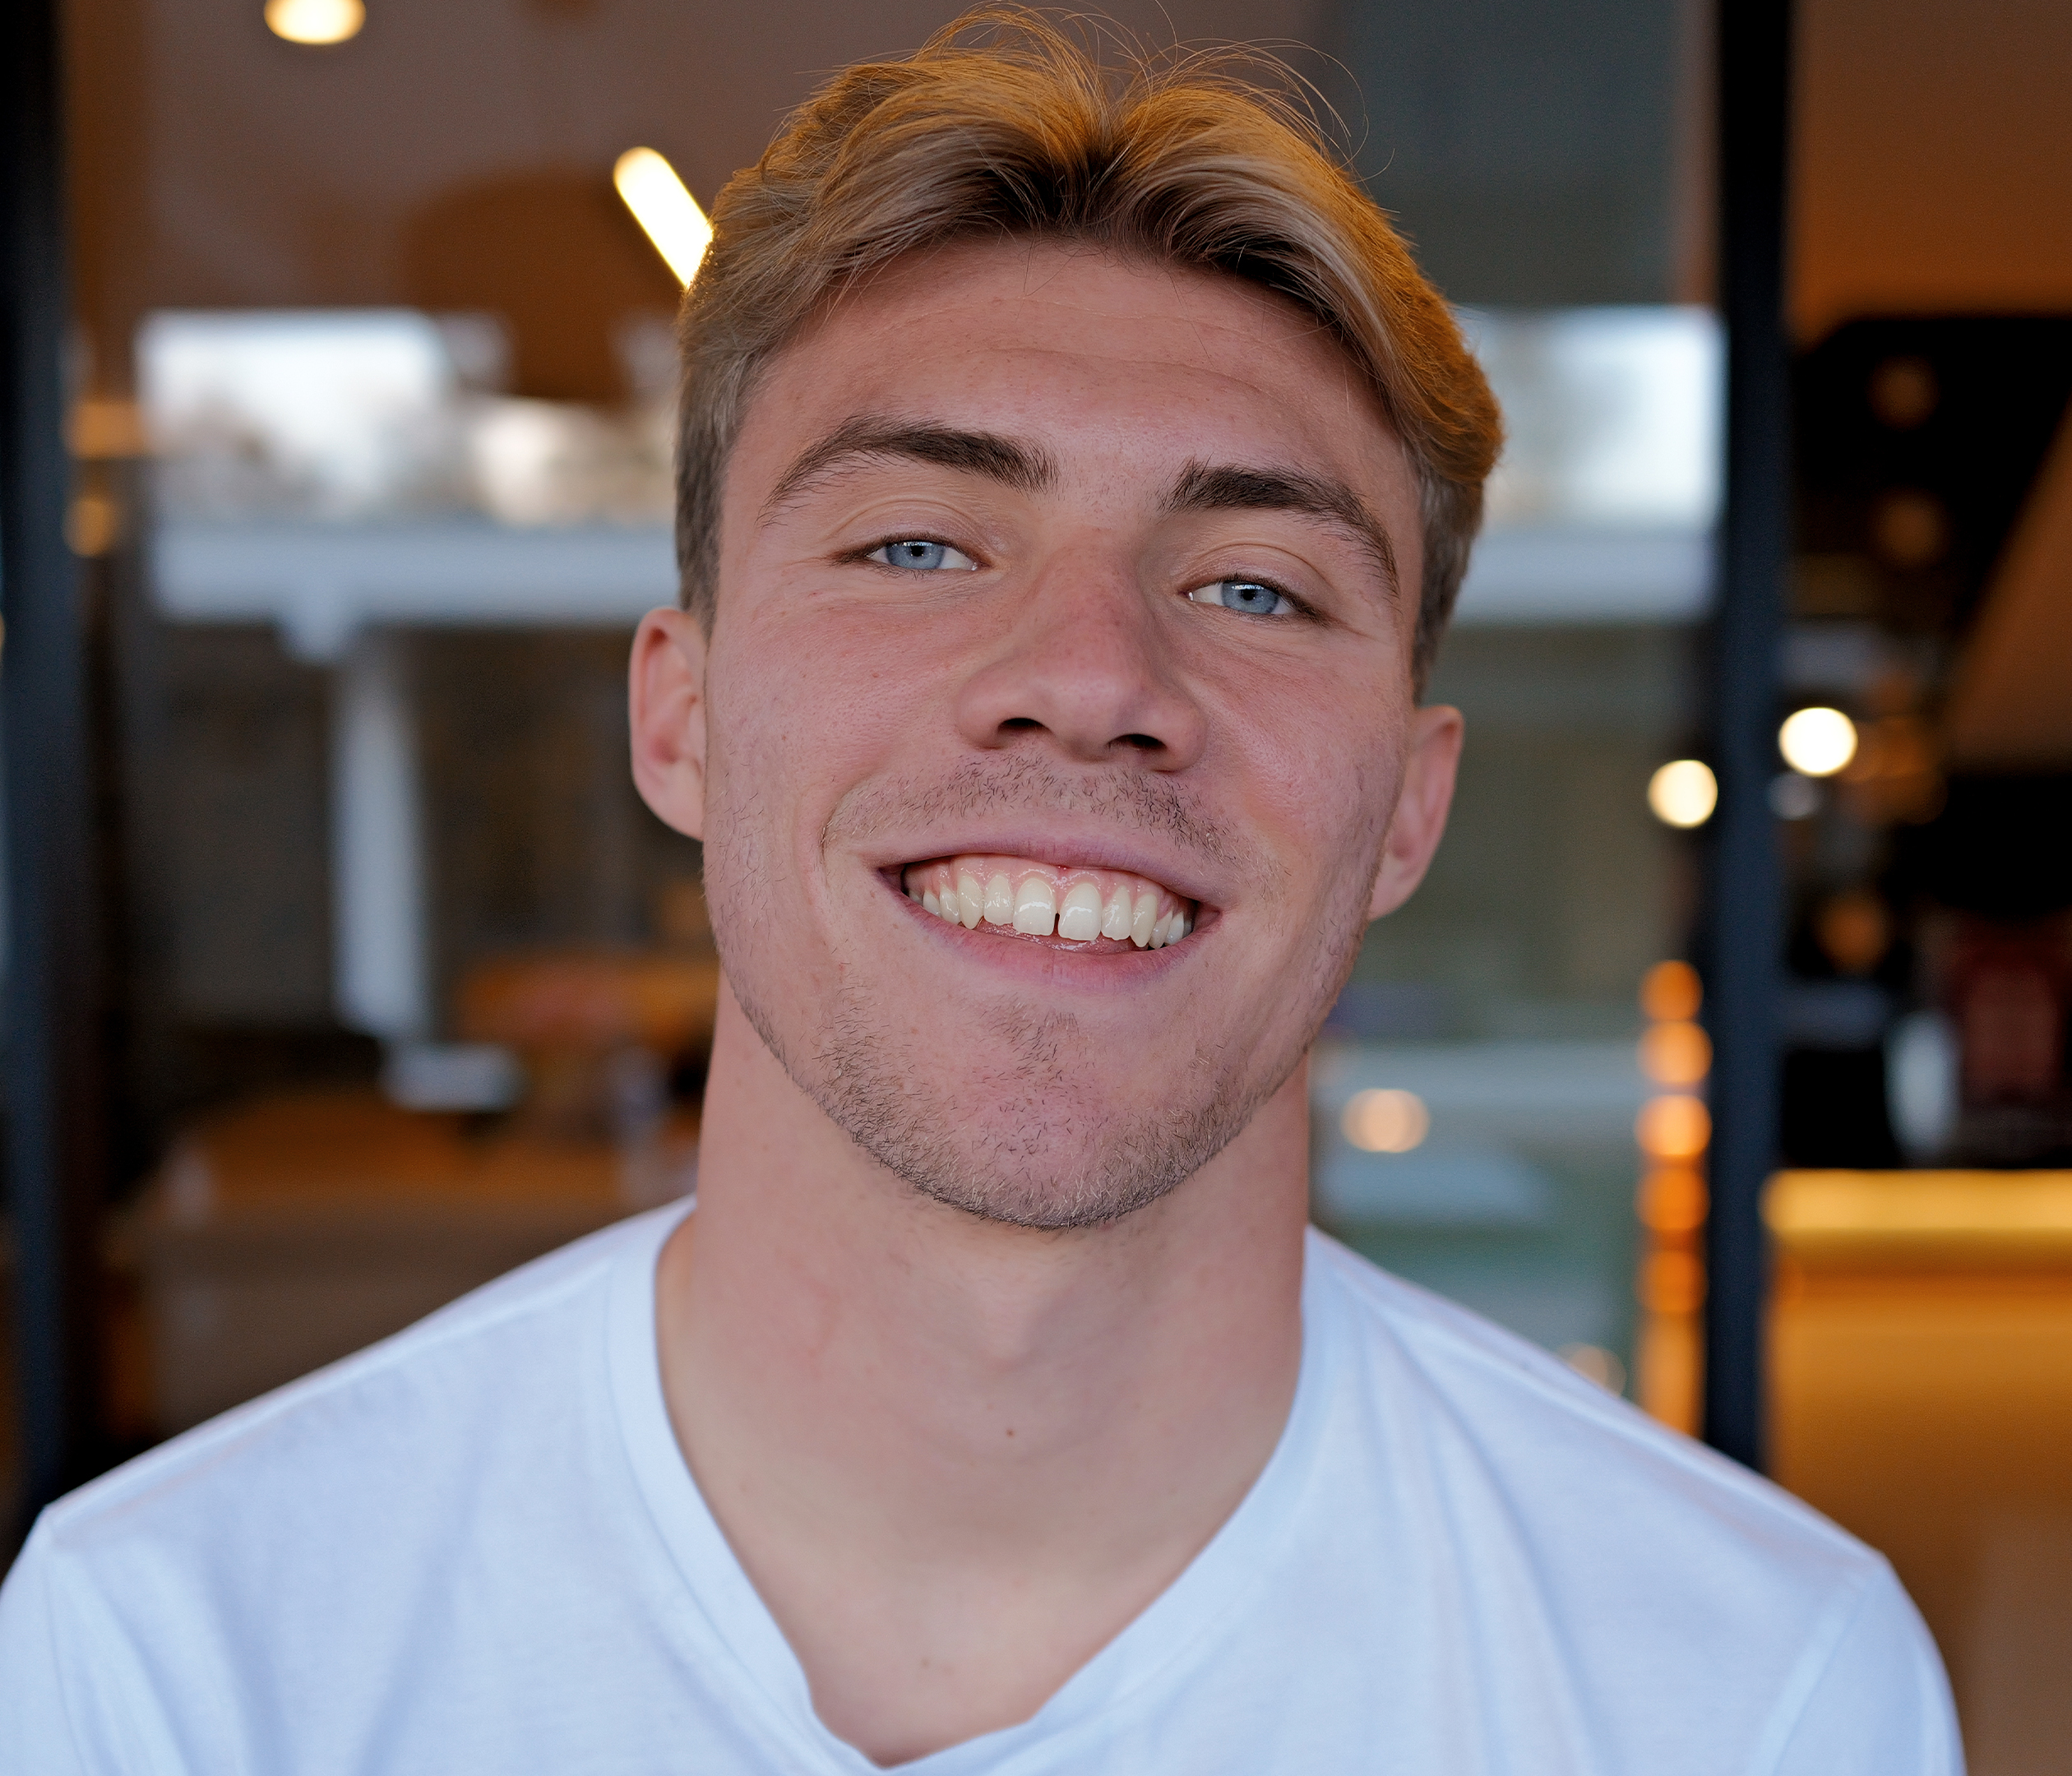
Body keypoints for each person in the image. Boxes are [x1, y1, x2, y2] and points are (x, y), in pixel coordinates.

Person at [0, 12, 1959, 1772]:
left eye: (1255, 585)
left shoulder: (1752, 1696)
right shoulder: (169, 1663)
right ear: (681, 720)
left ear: (1406, 811)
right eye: (921, 545)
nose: (1094, 676)